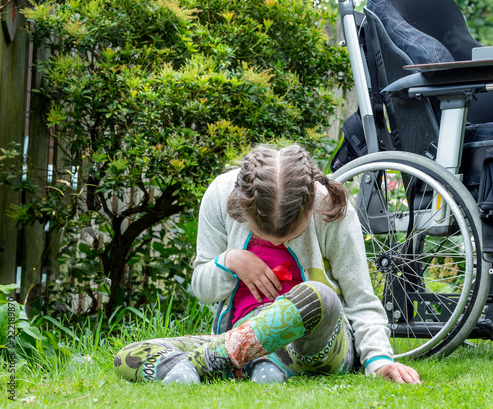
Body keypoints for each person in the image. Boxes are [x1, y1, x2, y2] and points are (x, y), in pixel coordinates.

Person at [113, 145, 420, 385]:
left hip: (318, 347)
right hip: (241, 339)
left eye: (289, 235)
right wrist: (229, 261)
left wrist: (379, 360)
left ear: (311, 200)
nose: (276, 244)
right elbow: (202, 287)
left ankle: (203, 364)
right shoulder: (221, 194)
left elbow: (360, 297)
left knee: (318, 296)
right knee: (128, 357)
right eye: (266, 234)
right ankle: (255, 364)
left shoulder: (330, 207)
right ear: (241, 206)